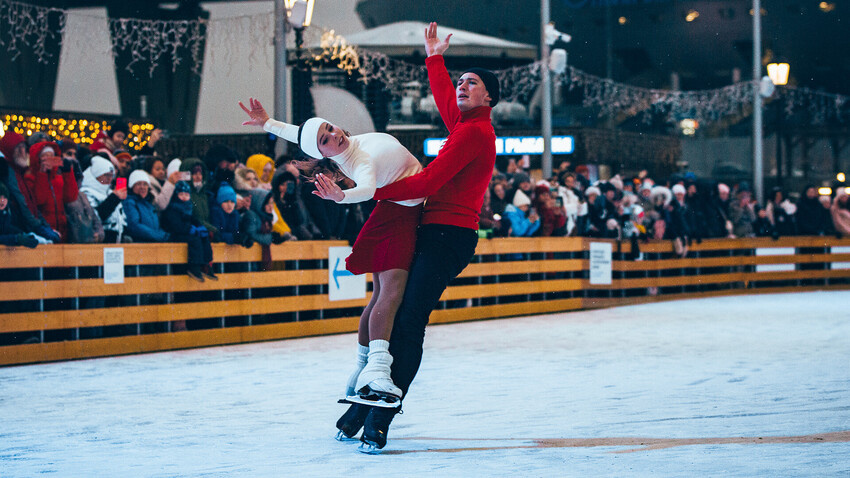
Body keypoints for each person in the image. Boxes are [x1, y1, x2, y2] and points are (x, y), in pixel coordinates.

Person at [336, 22, 500, 452]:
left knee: (408, 321)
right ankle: (362, 408)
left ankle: (379, 416)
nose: (463, 87)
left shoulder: (474, 133)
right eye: (462, 81)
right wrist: (434, 58)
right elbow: (448, 102)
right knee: (391, 309)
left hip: (449, 237)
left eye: (473, 83)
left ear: (489, 97)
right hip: (434, 231)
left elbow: (427, 183)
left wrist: (367, 192)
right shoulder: (466, 125)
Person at [240, 95, 426, 410]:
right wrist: (343, 196)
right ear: (323, 152)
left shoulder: (351, 146)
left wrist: (268, 123)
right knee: (389, 295)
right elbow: (367, 188)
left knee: (381, 294)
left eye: (330, 128)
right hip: (398, 217)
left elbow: (301, 133)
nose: (334, 134)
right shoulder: (359, 159)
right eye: (326, 140)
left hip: (395, 214)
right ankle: (377, 370)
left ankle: (360, 369)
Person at [161, 180, 217, 283]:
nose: (184, 197)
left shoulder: (188, 209)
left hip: (185, 233)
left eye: (186, 194)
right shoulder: (172, 209)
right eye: (181, 194)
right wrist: (190, 229)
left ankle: (206, 264)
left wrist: (201, 228)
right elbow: (176, 225)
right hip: (174, 235)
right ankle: (194, 266)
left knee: (204, 237)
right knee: (194, 239)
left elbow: (193, 219)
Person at [25, 141, 78, 242]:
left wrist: (68, 173)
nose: (49, 158)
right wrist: (42, 173)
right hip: (44, 232)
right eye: (45, 156)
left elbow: (71, 197)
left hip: (62, 232)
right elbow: (40, 200)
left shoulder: (58, 178)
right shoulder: (30, 178)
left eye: (52, 156)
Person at [78, 156, 126, 243]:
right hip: (99, 241)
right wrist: (113, 199)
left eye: (111, 176)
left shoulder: (110, 192)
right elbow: (94, 218)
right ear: (96, 174)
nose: (109, 179)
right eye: (106, 175)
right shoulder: (86, 193)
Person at [0, 182, 38, 248]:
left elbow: (8, 229)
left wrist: (23, 235)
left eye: (5, 197)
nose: (2, 200)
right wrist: (16, 239)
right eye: (0, 197)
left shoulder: (5, 215)